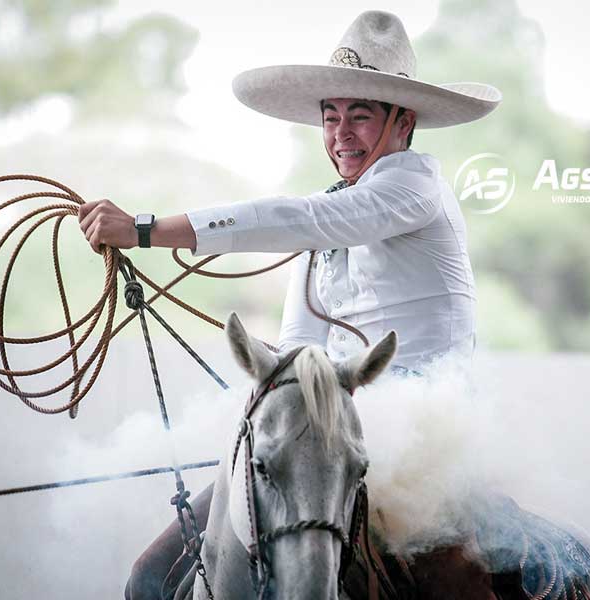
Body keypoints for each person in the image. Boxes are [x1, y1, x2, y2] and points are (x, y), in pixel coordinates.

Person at [77, 10, 501, 599]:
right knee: (152, 577)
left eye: (360, 116)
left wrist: (146, 230)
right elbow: (301, 344)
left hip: (425, 437)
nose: (340, 135)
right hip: (322, 435)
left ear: (402, 123)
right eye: (331, 118)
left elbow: (303, 218)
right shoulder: (330, 219)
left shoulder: (416, 186)